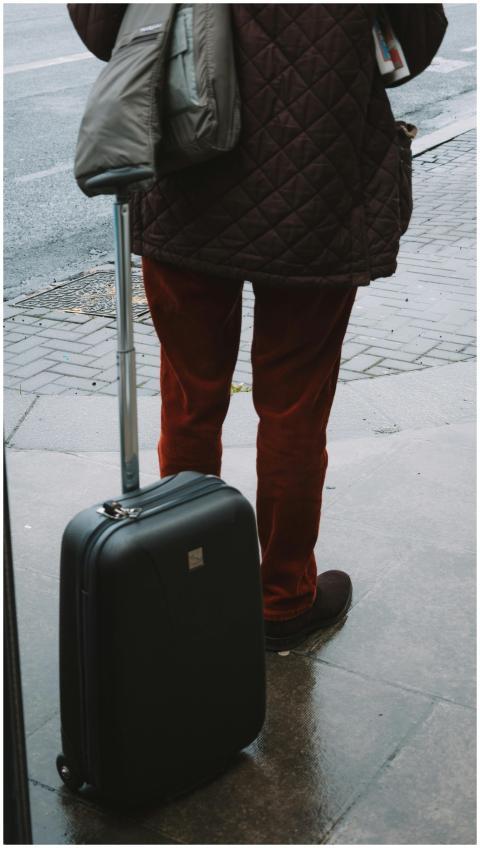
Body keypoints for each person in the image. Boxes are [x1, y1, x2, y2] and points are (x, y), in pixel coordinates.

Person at [68, 4, 448, 651]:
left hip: (189, 172)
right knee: (295, 410)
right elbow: (417, 37)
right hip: (320, 183)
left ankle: (188, 583)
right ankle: (283, 600)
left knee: (190, 401)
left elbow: (102, 24)